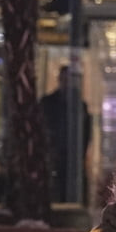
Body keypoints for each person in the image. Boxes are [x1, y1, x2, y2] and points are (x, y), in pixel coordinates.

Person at [40, 65, 91, 203]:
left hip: (72, 157)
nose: (67, 83)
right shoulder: (48, 103)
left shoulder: (80, 105)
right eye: (65, 79)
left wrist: (80, 155)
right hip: (54, 156)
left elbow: (86, 134)